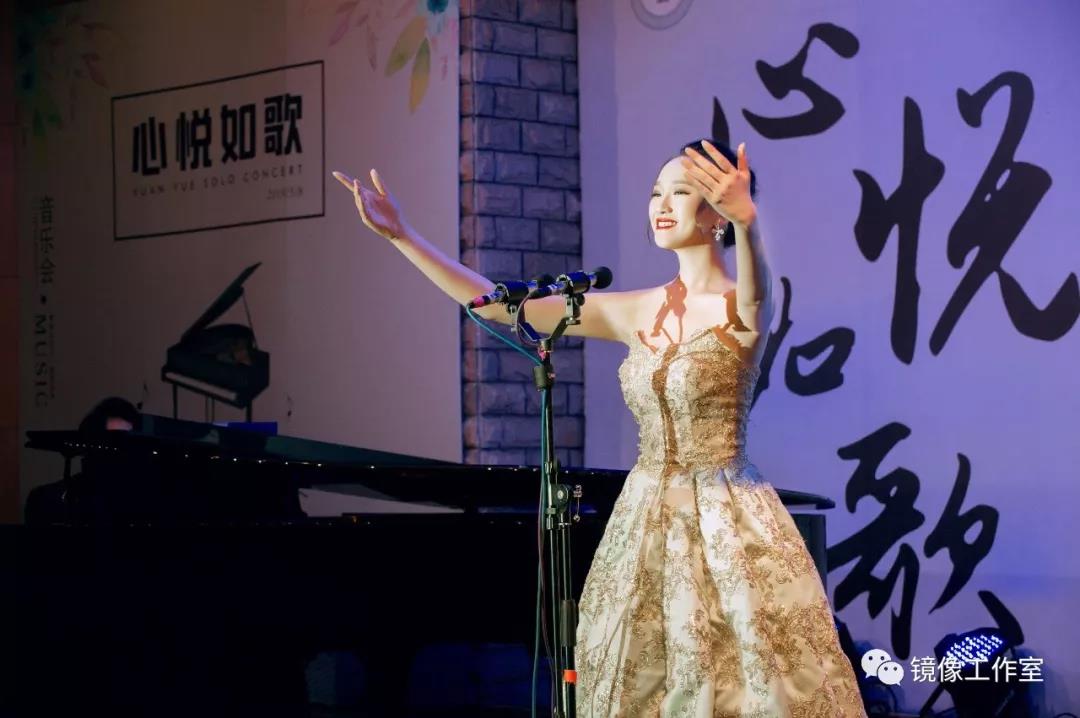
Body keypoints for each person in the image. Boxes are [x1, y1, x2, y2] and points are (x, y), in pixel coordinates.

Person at [332, 138, 865, 716]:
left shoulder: (740, 305)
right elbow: (497, 306)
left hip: (726, 514)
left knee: (742, 679)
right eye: (656, 192)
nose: (661, 205)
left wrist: (749, 225)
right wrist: (403, 237)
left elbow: (758, 295)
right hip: (644, 515)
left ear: (718, 213)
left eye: (681, 192)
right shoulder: (634, 308)